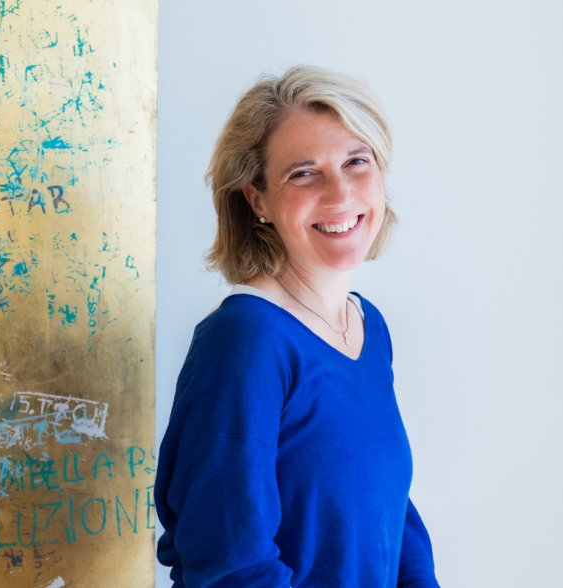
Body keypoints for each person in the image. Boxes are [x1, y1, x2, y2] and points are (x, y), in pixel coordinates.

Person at [155, 65, 440, 587]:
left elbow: (389, 515)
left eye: (357, 161)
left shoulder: (366, 327)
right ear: (257, 199)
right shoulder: (244, 340)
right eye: (303, 173)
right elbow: (233, 567)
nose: (340, 193)